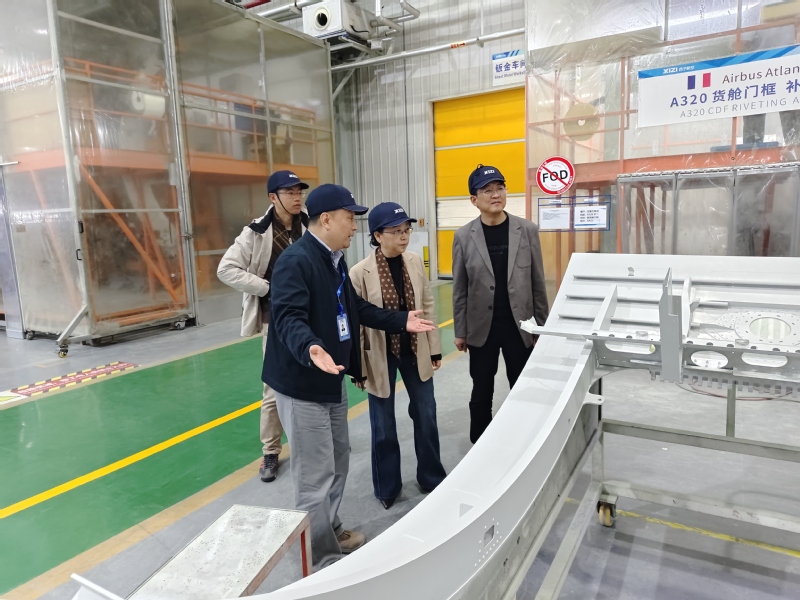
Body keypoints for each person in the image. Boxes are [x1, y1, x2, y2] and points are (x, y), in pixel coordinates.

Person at [262, 184, 436, 570]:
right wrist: (311, 346)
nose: (355, 226)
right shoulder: (296, 260)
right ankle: (321, 563)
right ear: (326, 220)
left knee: (338, 459)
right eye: (349, 218)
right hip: (303, 383)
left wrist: (400, 320)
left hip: (331, 378)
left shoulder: (334, 260)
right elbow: (287, 317)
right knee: (314, 475)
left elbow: (355, 308)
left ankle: (330, 529)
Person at [350, 202, 447, 510]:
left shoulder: (415, 262)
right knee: (382, 423)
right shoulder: (359, 272)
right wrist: (358, 366)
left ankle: (431, 477)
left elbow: (427, 305)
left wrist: (434, 347)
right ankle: (387, 487)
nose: (404, 236)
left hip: (415, 349)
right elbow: (358, 323)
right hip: (380, 353)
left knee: (426, 414)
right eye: (395, 231)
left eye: (406, 230)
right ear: (377, 236)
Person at [217, 170, 309, 483]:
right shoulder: (256, 232)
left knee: (314, 378)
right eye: (290, 192)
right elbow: (226, 269)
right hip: (276, 320)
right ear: (273, 197)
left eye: (299, 192)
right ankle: (271, 451)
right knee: (275, 387)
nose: (297, 198)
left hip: (311, 316)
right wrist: (267, 287)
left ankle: (313, 441)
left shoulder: (310, 224)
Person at [452, 164, 549, 443]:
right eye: (487, 190)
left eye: (500, 188)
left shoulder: (526, 230)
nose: (496, 194)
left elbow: (537, 282)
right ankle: (481, 443)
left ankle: (523, 440)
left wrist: (542, 328)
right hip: (482, 328)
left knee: (522, 387)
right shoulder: (463, 236)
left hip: (521, 326)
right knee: (481, 390)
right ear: (474, 199)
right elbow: (460, 288)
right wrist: (460, 330)